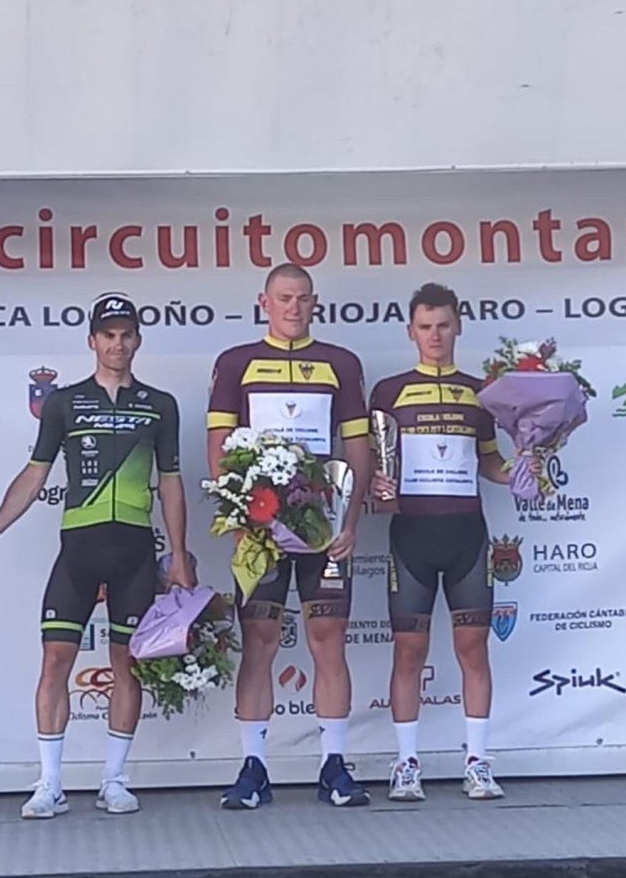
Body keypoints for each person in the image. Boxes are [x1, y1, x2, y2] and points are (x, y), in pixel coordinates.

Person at [0, 291, 195, 819]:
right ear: (92, 341)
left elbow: (171, 482)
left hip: (135, 549)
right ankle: (50, 784)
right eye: (108, 335)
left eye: (126, 335)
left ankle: (114, 780)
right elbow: (34, 474)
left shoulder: (160, 405)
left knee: (127, 664)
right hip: (79, 549)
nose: (117, 344)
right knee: (54, 661)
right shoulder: (64, 402)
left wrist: (180, 554)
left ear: (138, 340)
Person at [207, 263, 372, 808]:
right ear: (264, 302)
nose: (293, 307)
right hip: (261, 528)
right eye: (283, 298)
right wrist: (238, 516)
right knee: (259, 641)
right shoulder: (237, 362)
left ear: (314, 302)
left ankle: (334, 765)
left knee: (329, 639)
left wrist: (350, 520)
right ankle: (253, 767)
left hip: (321, 528)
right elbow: (219, 445)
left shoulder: (341, 363)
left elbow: (357, 449)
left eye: (302, 298)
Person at [369, 282, 520, 803]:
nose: (434, 336)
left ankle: (477, 763)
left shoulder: (482, 393)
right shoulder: (389, 392)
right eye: (425, 327)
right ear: (410, 332)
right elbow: (374, 464)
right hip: (411, 536)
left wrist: (527, 466)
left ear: (458, 327)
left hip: (466, 537)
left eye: (443, 326)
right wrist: (375, 484)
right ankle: (406, 765)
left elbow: (490, 462)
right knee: (408, 651)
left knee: (473, 650)